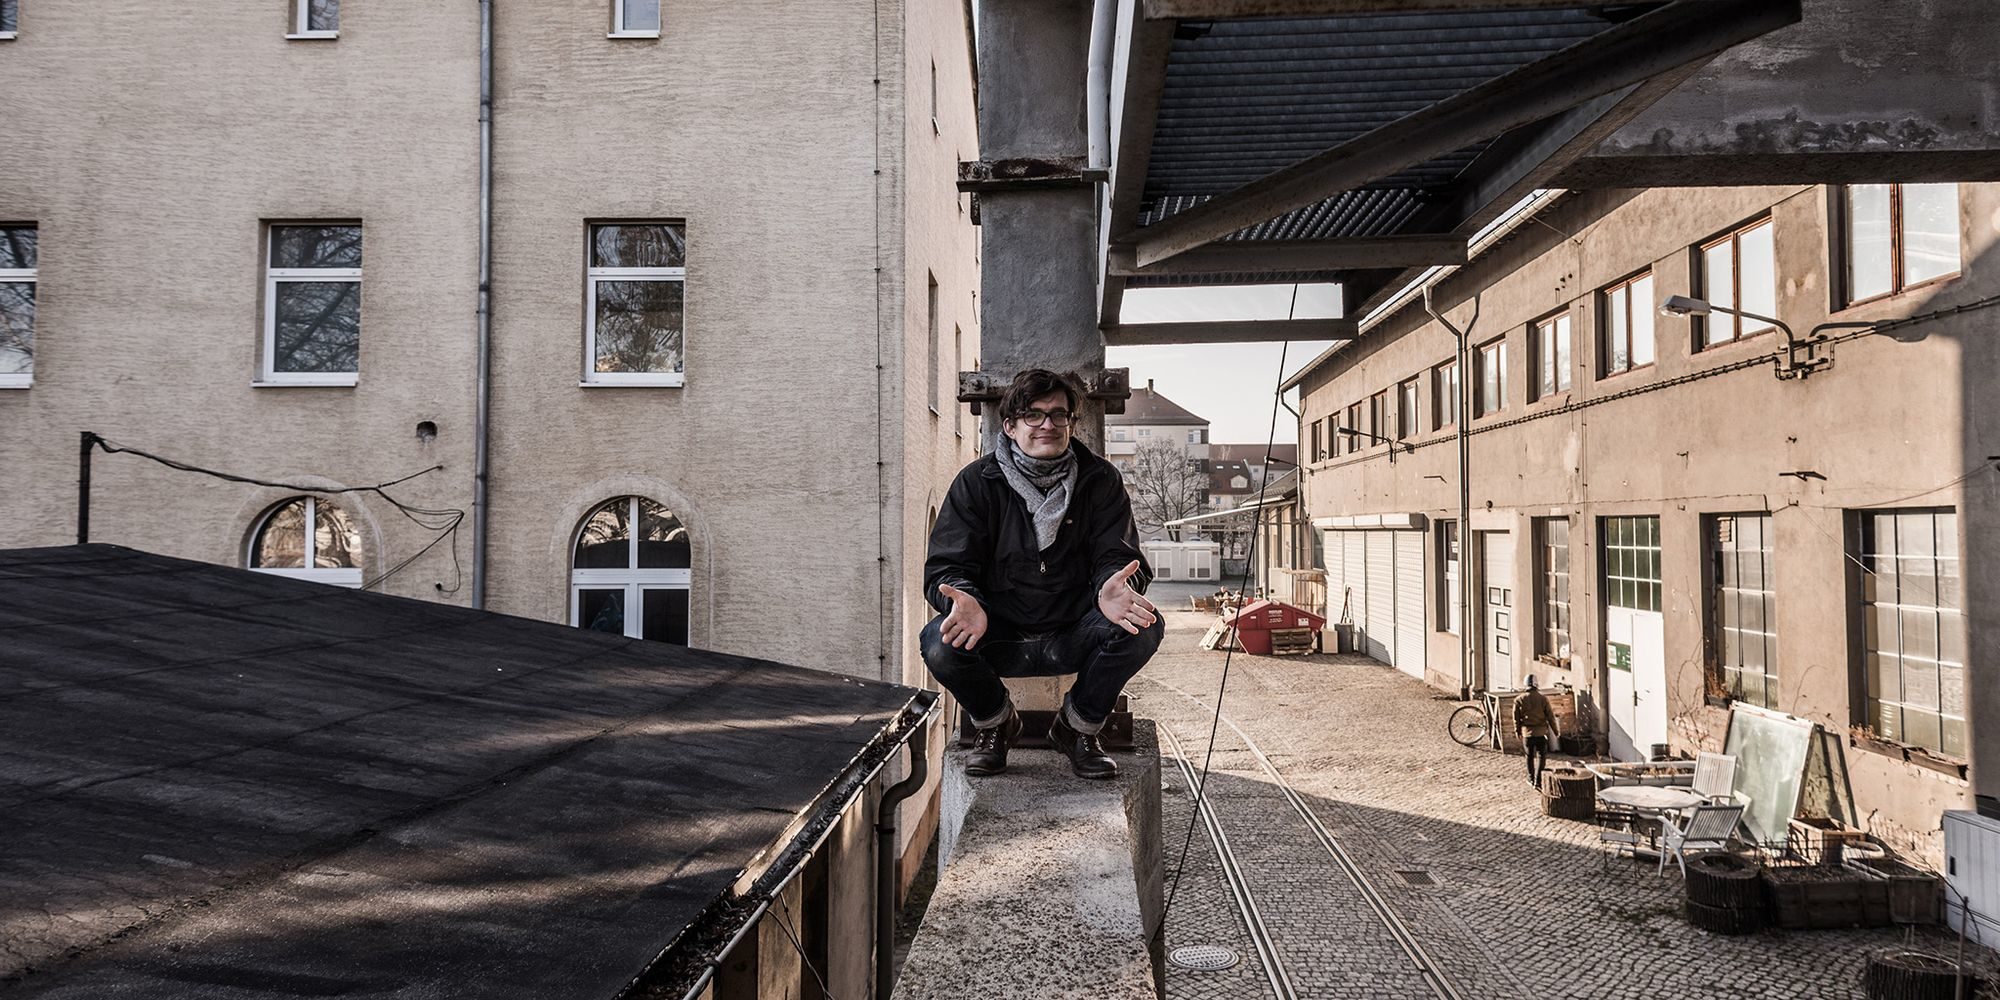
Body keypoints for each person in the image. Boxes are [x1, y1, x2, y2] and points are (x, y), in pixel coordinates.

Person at [921, 368, 1165, 779]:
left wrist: (1113, 587)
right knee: (938, 643)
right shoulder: (976, 483)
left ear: (1071, 423)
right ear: (1010, 426)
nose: (1047, 424)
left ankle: (1078, 728)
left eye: (1058, 414)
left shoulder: (1100, 480)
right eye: (1033, 415)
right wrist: (965, 600)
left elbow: (1118, 556)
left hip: (1073, 633)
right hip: (997, 632)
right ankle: (996, 724)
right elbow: (947, 566)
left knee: (1144, 625)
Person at [1514, 675, 1558, 788]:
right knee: (1541, 756)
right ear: (1536, 684)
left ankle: (1530, 777)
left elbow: (1516, 718)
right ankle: (1538, 780)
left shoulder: (1519, 699)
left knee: (1529, 756)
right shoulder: (1543, 699)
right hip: (1541, 733)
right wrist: (1556, 731)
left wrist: (1517, 731)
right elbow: (1550, 717)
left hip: (1527, 733)